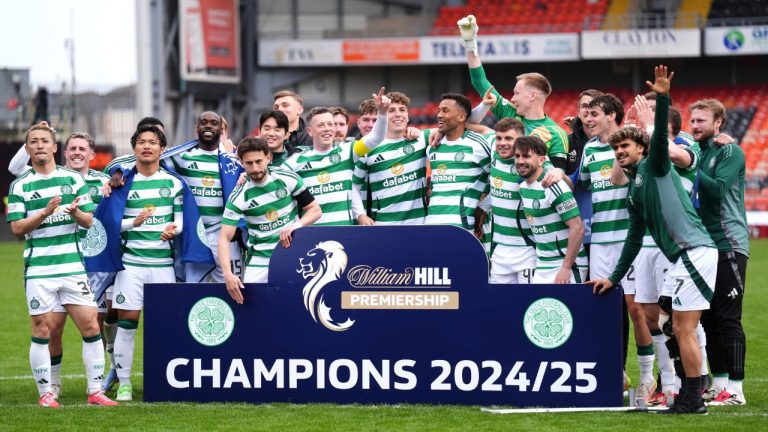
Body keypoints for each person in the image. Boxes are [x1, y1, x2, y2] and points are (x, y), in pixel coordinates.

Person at [589, 65, 718, 415]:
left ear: (641, 149)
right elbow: (633, 238)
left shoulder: (656, 166)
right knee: (671, 324)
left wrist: (662, 100)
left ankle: (693, 397)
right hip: (684, 256)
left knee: (682, 327)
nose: (619, 153)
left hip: (694, 251)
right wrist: (613, 279)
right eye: (616, 150)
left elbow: (659, 135)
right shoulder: (634, 188)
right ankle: (688, 393)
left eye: (625, 147)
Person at [7, 123, 117, 407]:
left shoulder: (73, 180)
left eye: (45, 141)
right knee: (43, 329)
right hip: (40, 271)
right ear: (28, 148)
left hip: (72, 267)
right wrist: (45, 212)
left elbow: (89, 221)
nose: (40, 145)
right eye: (34, 142)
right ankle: (46, 393)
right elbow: (18, 229)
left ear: (55, 147)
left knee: (91, 325)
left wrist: (76, 211)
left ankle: (95, 392)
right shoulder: (20, 185)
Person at [110, 125, 185, 401]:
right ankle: (125, 383)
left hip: (162, 264)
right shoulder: (123, 181)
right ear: (134, 149)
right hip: (131, 264)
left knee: (164, 324)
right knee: (127, 322)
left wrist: (172, 230)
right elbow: (109, 224)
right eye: (141, 142)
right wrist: (134, 222)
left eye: (153, 142)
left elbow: (180, 221)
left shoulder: (174, 183)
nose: (147, 146)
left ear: (162, 149)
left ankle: (165, 380)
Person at [691, 98, 750, 406]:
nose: (695, 126)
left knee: (728, 319)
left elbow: (716, 190)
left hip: (728, 243)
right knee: (710, 320)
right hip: (704, 246)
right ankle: (720, 384)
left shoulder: (730, 150)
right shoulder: (697, 151)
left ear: (718, 123)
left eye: (702, 121)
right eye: (693, 121)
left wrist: (689, 166)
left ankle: (737, 390)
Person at [459, 15, 569, 170]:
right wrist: (471, 45)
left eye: (517, 93)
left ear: (532, 96)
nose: (512, 98)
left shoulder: (556, 133)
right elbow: (480, 82)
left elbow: (558, 177)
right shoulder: (510, 113)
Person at [219, 137, 322, 295]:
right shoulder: (238, 196)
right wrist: (227, 274)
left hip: (292, 253)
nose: (255, 168)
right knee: (255, 309)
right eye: (249, 163)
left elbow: (315, 210)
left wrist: (296, 225)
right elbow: (224, 238)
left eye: (259, 161)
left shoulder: (287, 178)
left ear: (268, 157)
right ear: (241, 162)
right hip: (260, 258)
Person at [283, 88, 390, 226]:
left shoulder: (348, 150)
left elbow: (376, 137)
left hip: (344, 232)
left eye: (330, 124)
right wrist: (245, 177)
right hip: (311, 235)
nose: (327, 128)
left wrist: (382, 113)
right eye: (321, 125)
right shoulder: (295, 161)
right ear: (310, 131)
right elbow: (273, 180)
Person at [165, 111, 245, 283]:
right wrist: (117, 171)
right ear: (197, 128)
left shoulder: (235, 160)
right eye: (204, 122)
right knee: (193, 290)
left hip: (225, 233)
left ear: (222, 130)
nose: (208, 126)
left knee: (232, 288)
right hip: (196, 235)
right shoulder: (183, 157)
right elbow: (149, 161)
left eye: (214, 123)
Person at [516, 136, 587, 283]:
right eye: (517, 156)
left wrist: (566, 268)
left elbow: (578, 228)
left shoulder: (553, 186)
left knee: (566, 307)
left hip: (566, 264)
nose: (520, 161)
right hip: (543, 263)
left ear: (541, 160)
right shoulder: (522, 188)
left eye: (526, 156)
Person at [352, 91, 430, 225]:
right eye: (391, 110)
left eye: (402, 110)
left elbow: (458, 125)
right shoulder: (368, 148)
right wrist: (360, 215)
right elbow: (354, 186)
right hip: (383, 226)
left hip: (419, 225)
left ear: (407, 115)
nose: (398, 114)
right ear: (382, 117)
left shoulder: (421, 139)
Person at [475, 118, 537, 284]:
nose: (502, 143)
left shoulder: (529, 165)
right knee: (501, 306)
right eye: (499, 138)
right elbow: (479, 128)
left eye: (509, 139)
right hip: (500, 250)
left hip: (527, 250)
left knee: (527, 304)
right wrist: (482, 208)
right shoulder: (494, 153)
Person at [425, 93, 491, 230]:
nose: (439, 115)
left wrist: (483, 207)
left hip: (462, 227)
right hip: (430, 223)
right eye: (438, 111)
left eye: (445, 110)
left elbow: (498, 178)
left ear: (462, 117)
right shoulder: (432, 147)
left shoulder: (478, 145)